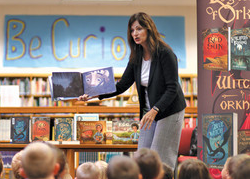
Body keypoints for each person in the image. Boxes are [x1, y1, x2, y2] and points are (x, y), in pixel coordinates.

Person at [79, 12, 186, 170]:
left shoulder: (165, 53)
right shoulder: (136, 56)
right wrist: (94, 94)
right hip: (149, 111)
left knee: (160, 159)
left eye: (139, 29)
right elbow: (121, 85)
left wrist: (155, 110)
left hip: (169, 110)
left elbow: (173, 88)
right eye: (132, 30)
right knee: (141, 156)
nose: (135, 33)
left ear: (149, 30)